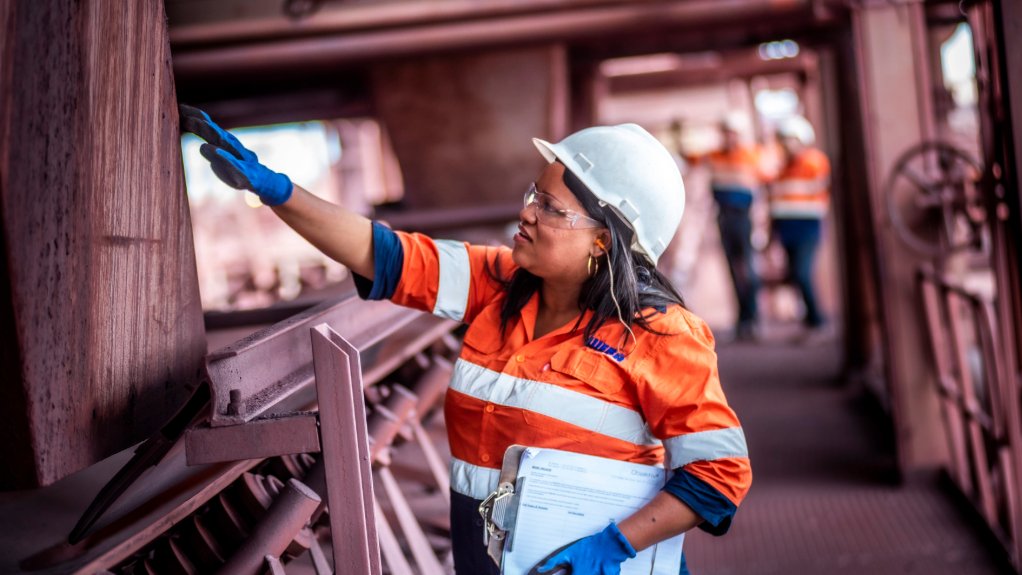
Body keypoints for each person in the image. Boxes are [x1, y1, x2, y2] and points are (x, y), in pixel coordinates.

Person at [180, 105, 752, 575]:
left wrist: (613, 547)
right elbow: (382, 253)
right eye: (535, 193)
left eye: (551, 208)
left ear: (604, 241)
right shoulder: (497, 282)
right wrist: (279, 191)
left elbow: (719, 475)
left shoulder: (662, 336)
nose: (525, 213)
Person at [694, 112, 770, 340]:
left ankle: (754, 318)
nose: (729, 138)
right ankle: (743, 321)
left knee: (748, 268)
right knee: (733, 270)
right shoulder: (714, 156)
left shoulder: (751, 156)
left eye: (732, 133)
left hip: (744, 218)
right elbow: (691, 158)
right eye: (725, 133)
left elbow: (765, 182)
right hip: (724, 218)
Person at [768, 115, 831, 332]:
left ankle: (818, 321)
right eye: (783, 140)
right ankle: (810, 322)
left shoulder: (814, 162)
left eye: (790, 139)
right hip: (787, 229)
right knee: (795, 274)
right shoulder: (781, 169)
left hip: (807, 227)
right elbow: (776, 201)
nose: (786, 145)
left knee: (802, 274)